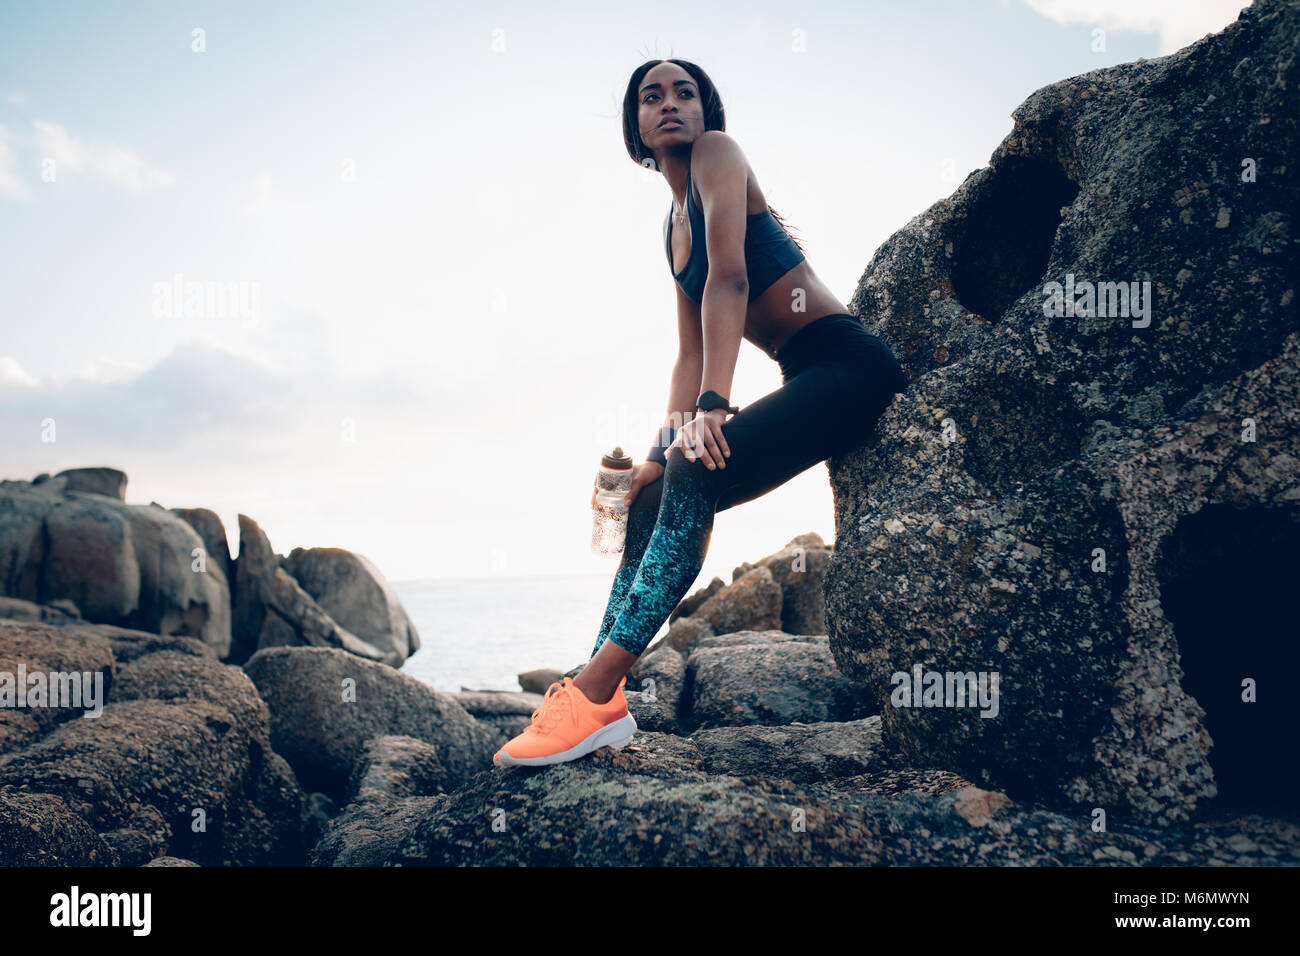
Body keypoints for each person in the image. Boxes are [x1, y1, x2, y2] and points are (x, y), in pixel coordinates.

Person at [494, 58, 908, 768]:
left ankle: (595, 689)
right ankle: (594, 697)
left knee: (695, 463)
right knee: (661, 484)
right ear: (636, 127)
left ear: (705, 111)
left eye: (685, 93)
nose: (670, 104)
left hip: (849, 368)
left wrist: (714, 408)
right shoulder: (670, 226)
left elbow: (733, 278)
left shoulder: (720, 155)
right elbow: (688, 352)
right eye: (652, 97)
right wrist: (652, 457)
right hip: (805, 378)